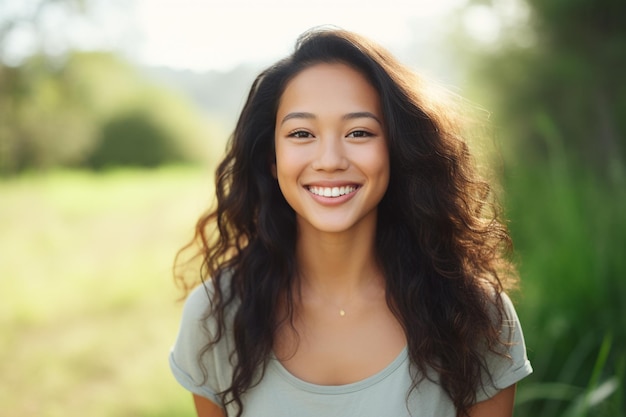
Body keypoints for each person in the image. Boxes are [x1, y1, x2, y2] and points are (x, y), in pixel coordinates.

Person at [169, 28, 532, 417]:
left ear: (395, 150)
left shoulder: (473, 314)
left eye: (358, 132)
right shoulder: (216, 316)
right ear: (271, 159)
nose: (329, 159)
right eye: (301, 133)